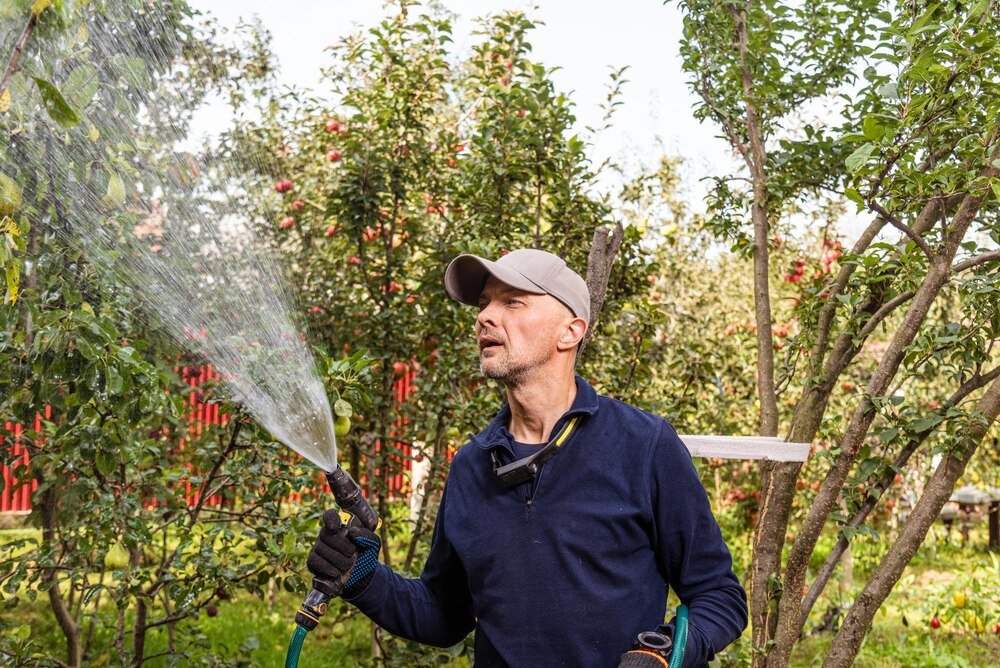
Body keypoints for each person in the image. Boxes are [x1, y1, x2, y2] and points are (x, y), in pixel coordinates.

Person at [308, 249, 748, 667]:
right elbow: (445, 615)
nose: (484, 316)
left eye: (512, 302)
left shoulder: (644, 445)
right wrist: (364, 577)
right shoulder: (471, 466)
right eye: (483, 304)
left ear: (570, 331)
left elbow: (719, 595)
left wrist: (663, 652)